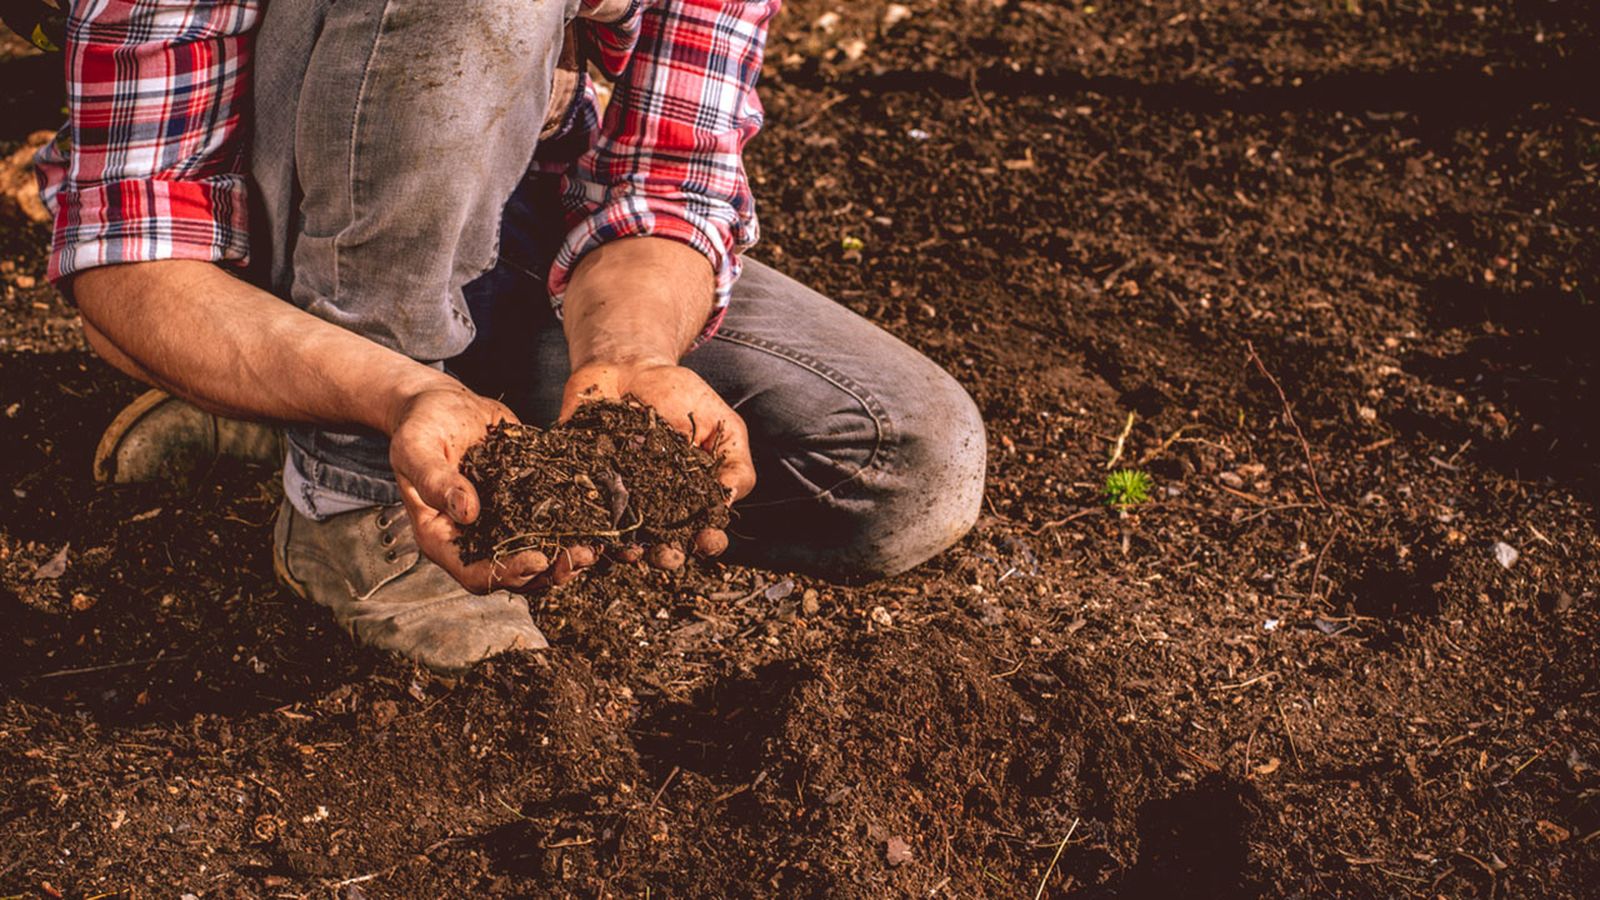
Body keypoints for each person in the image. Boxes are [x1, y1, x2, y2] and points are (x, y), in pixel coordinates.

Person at [30, 0, 986, 670]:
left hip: (509, 220)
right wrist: (393, 392)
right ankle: (347, 494)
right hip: (265, 231)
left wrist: (631, 356)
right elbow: (129, 256)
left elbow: (669, 179)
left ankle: (306, 410)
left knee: (899, 465)